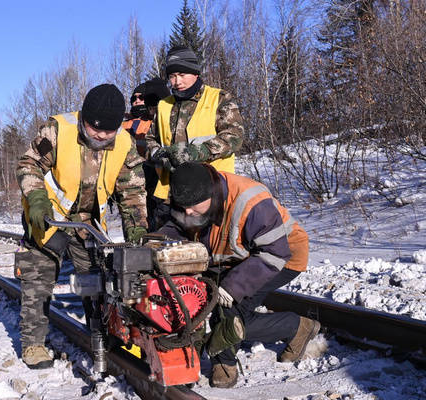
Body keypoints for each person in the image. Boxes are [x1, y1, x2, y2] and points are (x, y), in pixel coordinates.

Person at [15, 83, 148, 369]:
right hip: (49, 217)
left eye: (106, 132)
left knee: (100, 282)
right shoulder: (58, 129)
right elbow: (28, 164)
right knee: (38, 278)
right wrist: (37, 198)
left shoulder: (125, 143)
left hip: (88, 223)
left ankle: (102, 335)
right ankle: (34, 344)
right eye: (92, 128)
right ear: (84, 118)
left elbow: (132, 193)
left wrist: (137, 233)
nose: (99, 135)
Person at [158, 162, 319, 388]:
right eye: (184, 206)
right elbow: (175, 227)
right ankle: (293, 327)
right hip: (236, 257)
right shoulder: (191, 199)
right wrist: (157, 245)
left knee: (225, 314)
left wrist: (233, 286)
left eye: (193, 207)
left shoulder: (252, 202)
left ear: (212, 195)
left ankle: (228, 363)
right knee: (202, 301)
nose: (187, 212)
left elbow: (274, 253)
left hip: (281, 256)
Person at [145, 46, 245, 230]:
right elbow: (150, 140)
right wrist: (160, 156)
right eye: (172, 76)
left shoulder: (218, 98)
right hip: (171, 195)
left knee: (210, 249)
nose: (176, 81)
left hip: (210, 193)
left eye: (182, 74)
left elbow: (235, 136)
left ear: (195, 73)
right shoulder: (164, 105)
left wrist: (199, 151)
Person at [122, 78, 171, 227]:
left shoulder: (157, 120)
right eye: (133, 98)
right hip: (134, 181)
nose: (137, 101)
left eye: (140, 97)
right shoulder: (124, 122)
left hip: (158, 178)